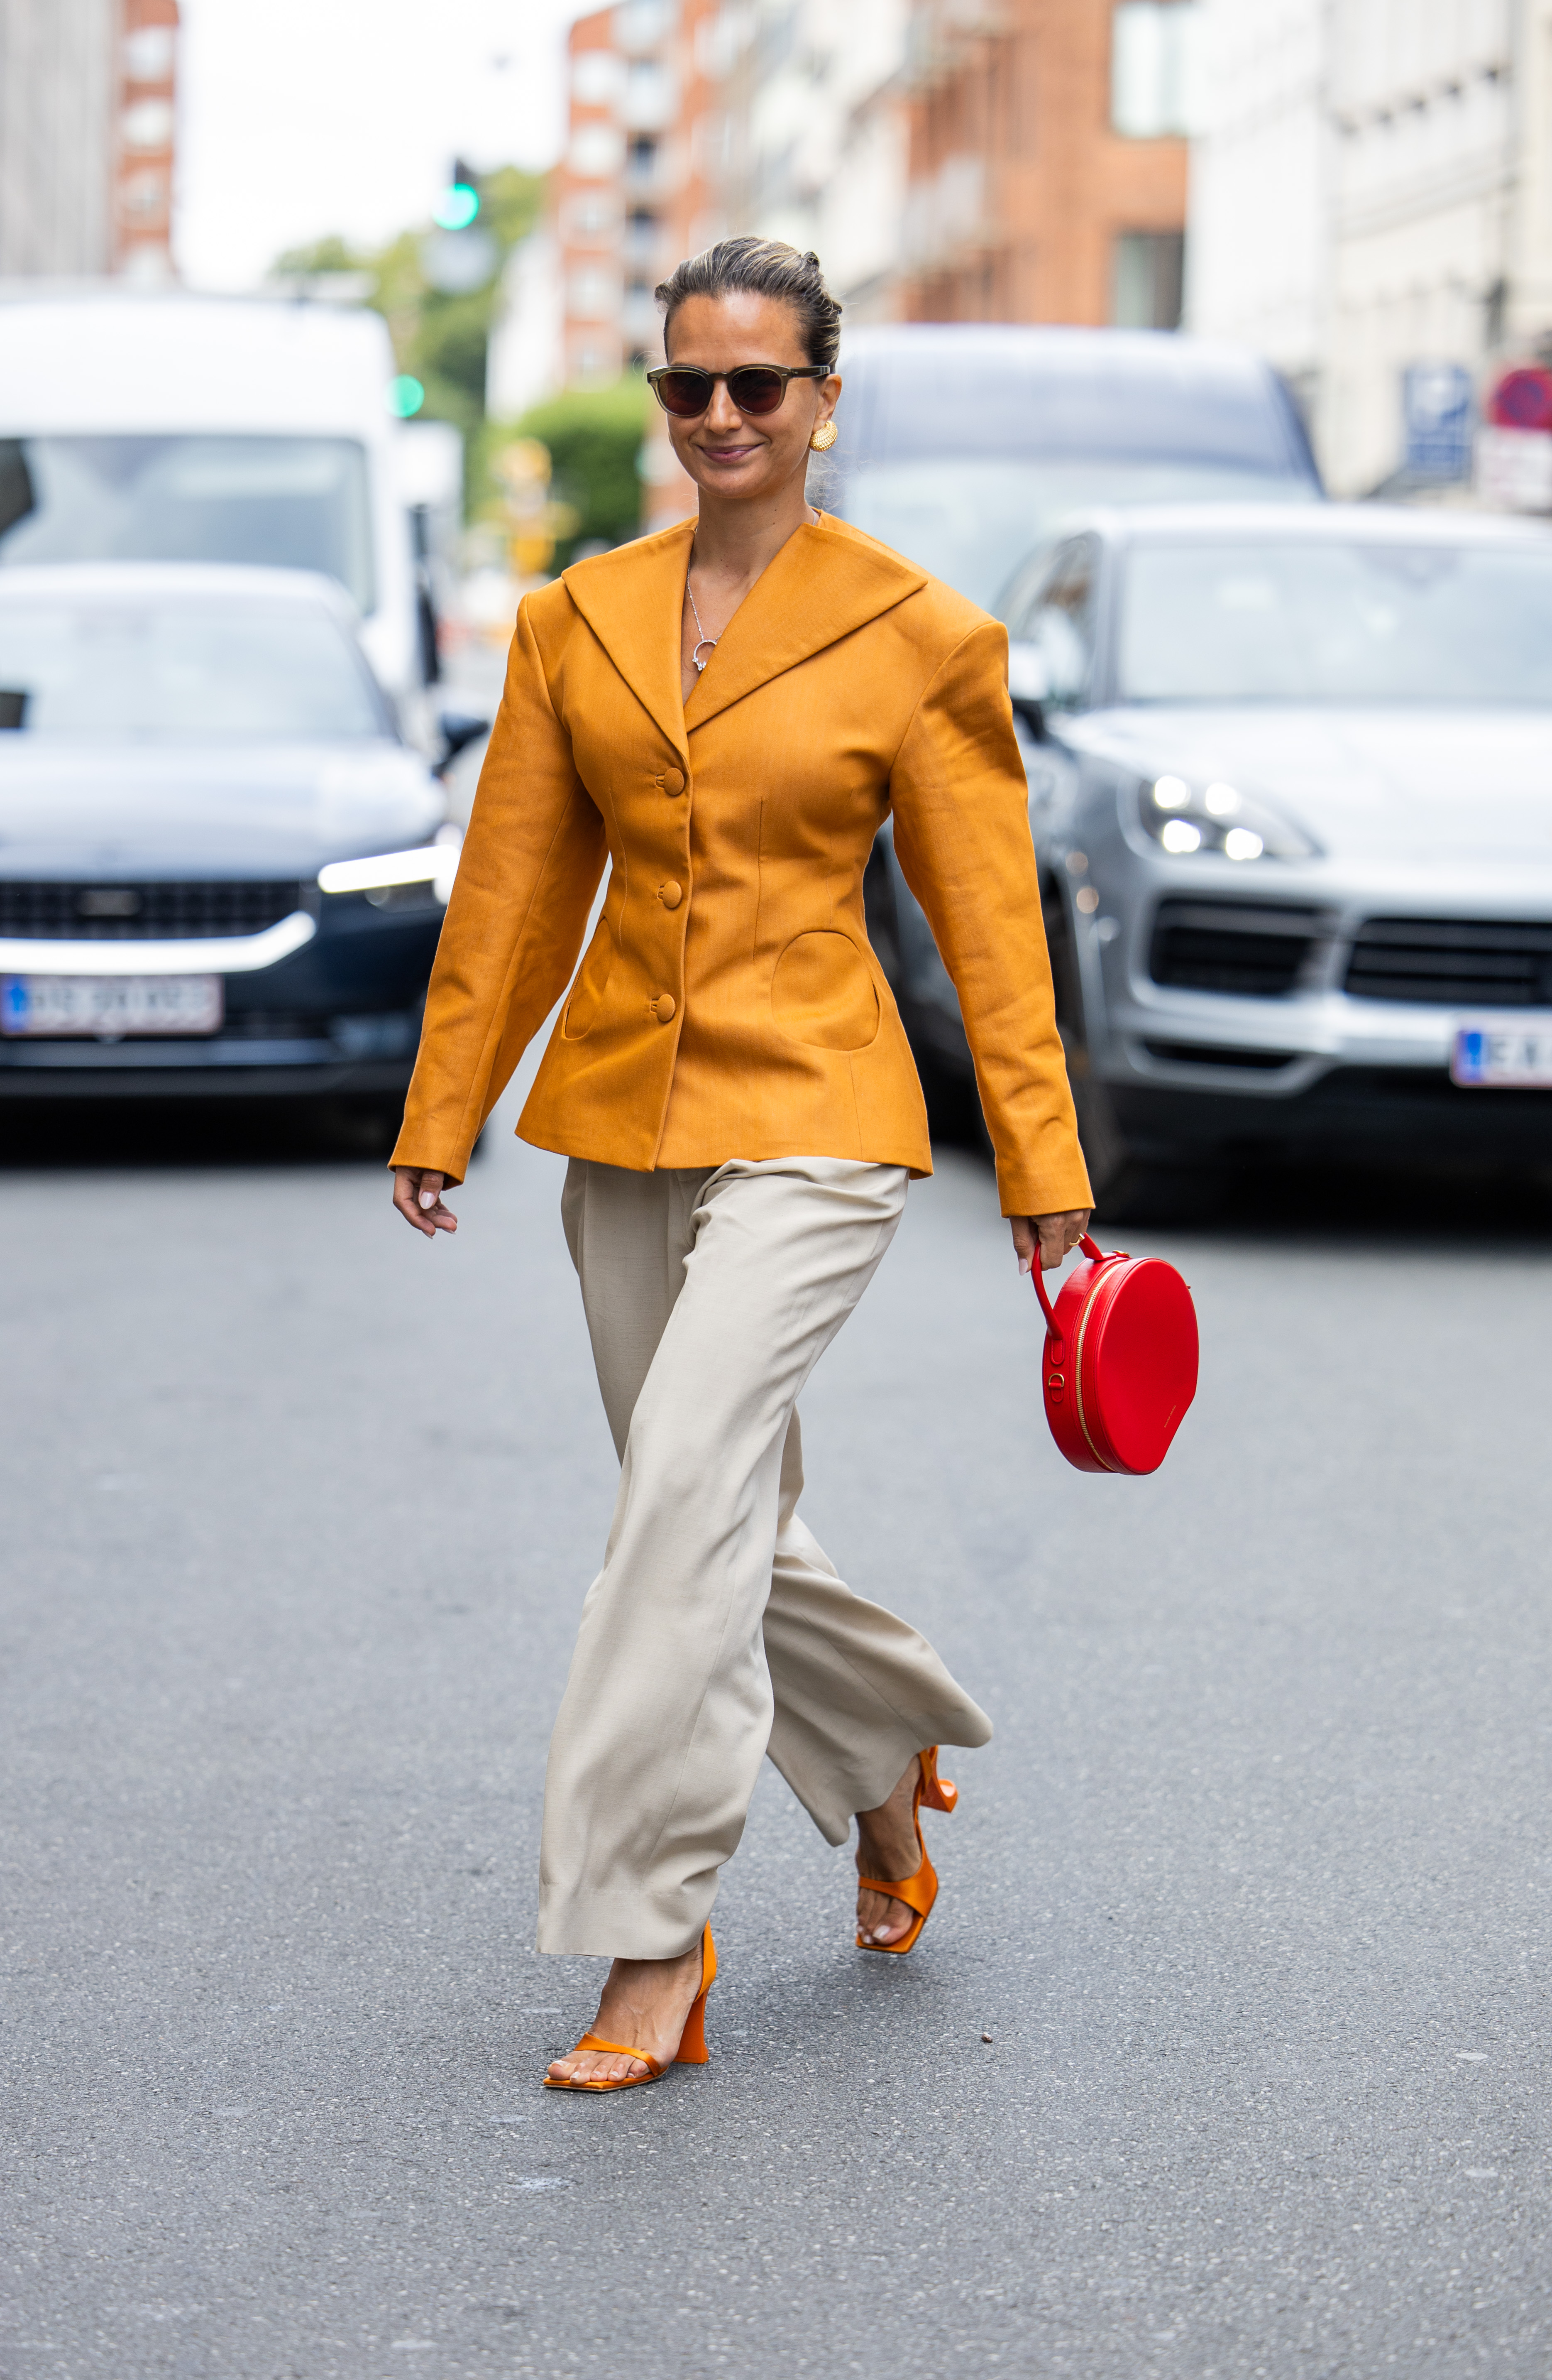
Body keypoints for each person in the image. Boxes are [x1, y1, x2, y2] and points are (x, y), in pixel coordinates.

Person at [389, 237, 1092, 2093]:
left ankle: (646, 1928)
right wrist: (442, 1104)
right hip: (621, 1116)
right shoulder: (573, 619)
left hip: (821, 1115)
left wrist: (1041, 1165)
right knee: (716, 1520)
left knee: (680, 1489)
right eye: (685, 385)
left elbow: (986, 919)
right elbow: (518, 886)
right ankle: (879, 1766)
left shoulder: (918, 634)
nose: (716, 415)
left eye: (754, 386)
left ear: (821, 405)